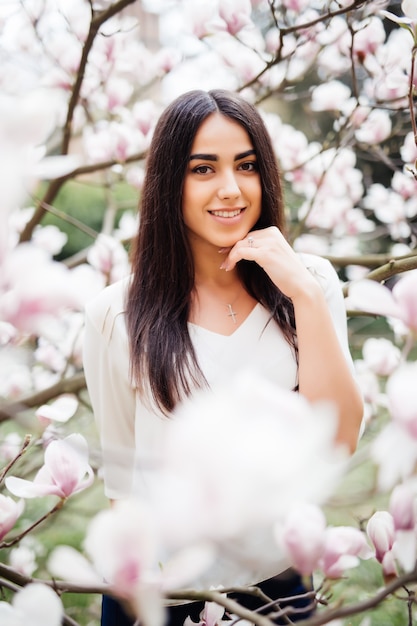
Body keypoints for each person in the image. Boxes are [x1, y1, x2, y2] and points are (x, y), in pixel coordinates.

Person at [83, 89, 364, 626]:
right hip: (162, 592)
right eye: (203, 169)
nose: (230, 190)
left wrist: (301, 294)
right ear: (170, 184)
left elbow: (340, 439)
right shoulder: (115, 315)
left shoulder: (311, 285)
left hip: (277, 586)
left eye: (247, 165)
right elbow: (124, 482)